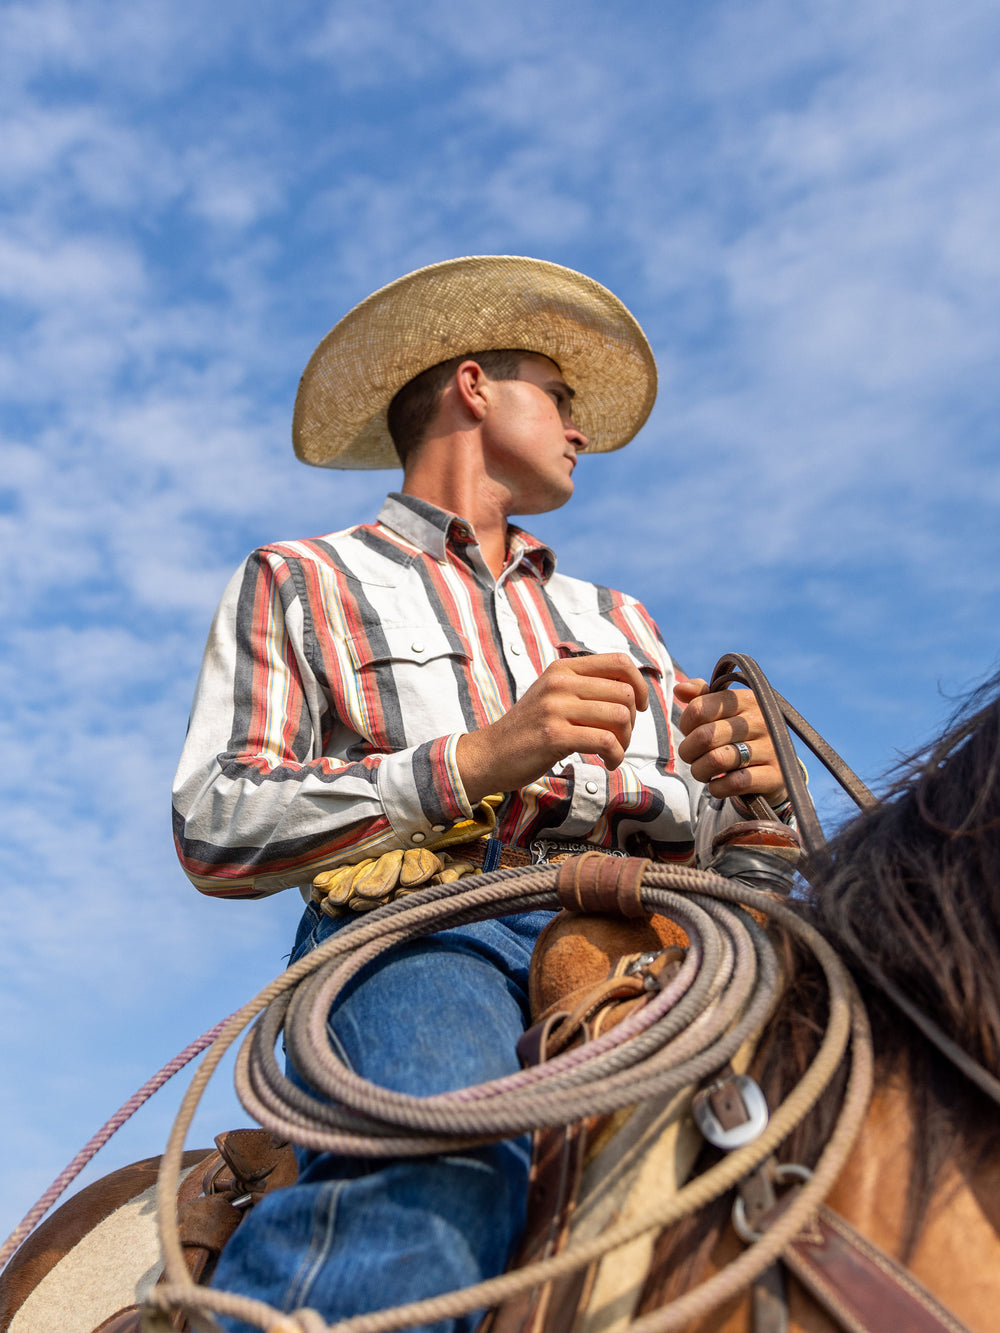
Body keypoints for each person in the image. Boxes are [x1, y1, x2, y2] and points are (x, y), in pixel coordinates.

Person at [172, 256, 791, 1332]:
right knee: (447, 1165)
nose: (579, 428)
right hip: (426, 930)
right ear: (471, 386)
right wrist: (474, 760)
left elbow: (733, 841)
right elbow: (217, 820)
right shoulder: (304, 578)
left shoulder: (625, 620)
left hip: (659, 925)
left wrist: (750, 793)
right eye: (556, 395)